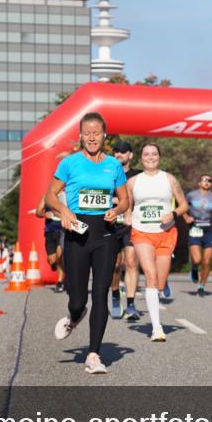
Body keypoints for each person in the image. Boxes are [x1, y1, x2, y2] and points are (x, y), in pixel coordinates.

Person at [44, 112, 129, 374]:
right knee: (78, 298)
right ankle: (75, 314)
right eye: (87, 132)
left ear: (105, 135)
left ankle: (93, 354)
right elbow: (49, 196)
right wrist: (64, 211)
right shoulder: (70, 163)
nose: (92, 137)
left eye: (97, 132)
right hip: (77, 234)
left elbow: (125, 200)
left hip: (104, 234)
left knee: (101, 293)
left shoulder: (113, 166)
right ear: (80, 135)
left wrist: (117, 210)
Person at [127, 142, 188, 342]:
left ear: (159, 157)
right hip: (142, 232)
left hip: (166, 233)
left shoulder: (169, 179)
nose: (150, 157)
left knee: (159, 283)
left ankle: (161, 287)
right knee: (150, 277)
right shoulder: (133, 182)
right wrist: (127, 216)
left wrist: (173, 213)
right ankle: (157, 328)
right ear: (141, 157)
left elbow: (184, 205)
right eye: (146, 154)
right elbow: (127, 205)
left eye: (154, 154)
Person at [110, 140, 142, 320]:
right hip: (111, 223)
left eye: (123, 152)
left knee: (131, 262)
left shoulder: (138, 175)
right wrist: (119, 203)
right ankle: (115, 296)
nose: (119, 154)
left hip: (132, 224)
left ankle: (130, 304)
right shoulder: (107, 173)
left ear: (130, 155)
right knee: (115, 264)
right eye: (116, 151)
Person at [185, 174, 212, 296]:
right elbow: (182, 208)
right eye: (204, 180)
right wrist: (186, 217)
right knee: (197, 259)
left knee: (206, 261)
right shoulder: (191, 195)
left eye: (209, 180)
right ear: (199, 183)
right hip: (195, 229)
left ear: (211, 184)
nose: (207, 182)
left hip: (209, 231)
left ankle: (201, 286)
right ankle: (194, 268)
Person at [35, 195, 65, 293]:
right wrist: (44, 214)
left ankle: (60, 282)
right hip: (50, 231)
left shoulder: (66, 196)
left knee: (60, 255)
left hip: (63, 230)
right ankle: (56, 264)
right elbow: (38, 212)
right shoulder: (46, 197)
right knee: (52, 260)